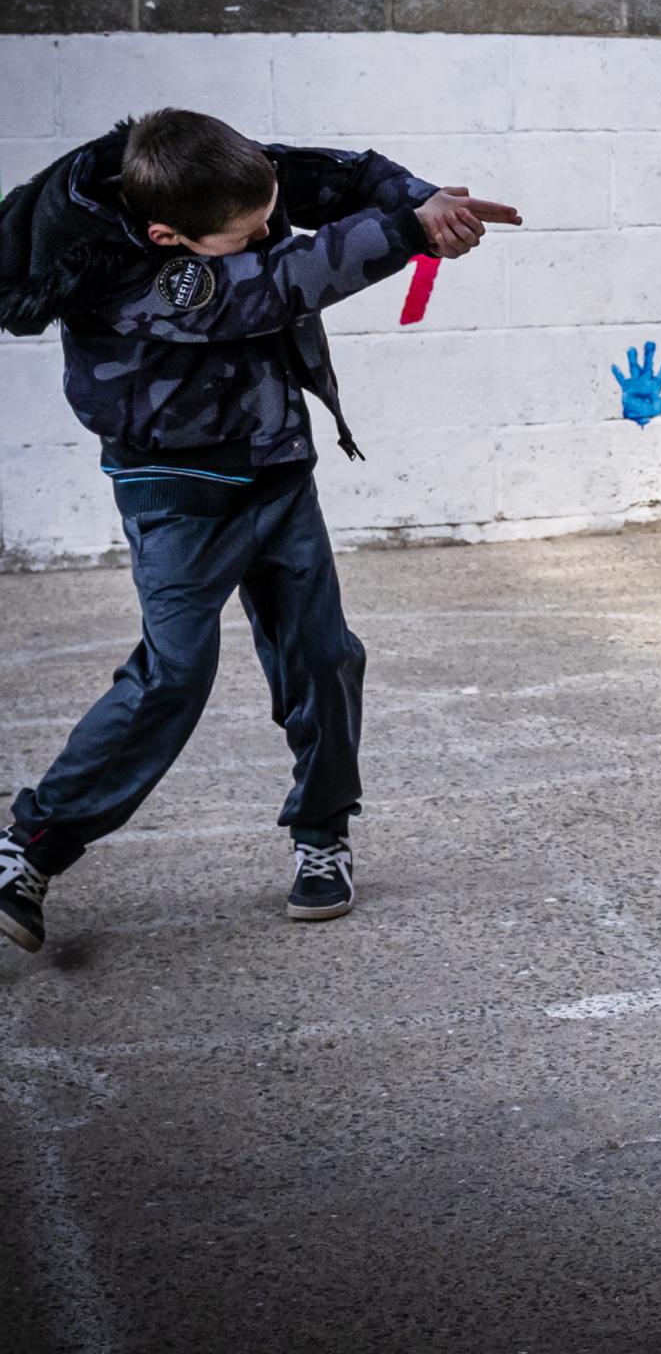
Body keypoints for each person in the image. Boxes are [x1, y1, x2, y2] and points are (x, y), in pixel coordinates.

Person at [0, 108, 517, 949]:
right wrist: (404, 234)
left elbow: (342, 177)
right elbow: (276, 284)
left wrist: (427, 204)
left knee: (321, 655)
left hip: (276, 469)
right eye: (251, 230)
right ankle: (31, 845)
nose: (272, 229)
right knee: (173, 676)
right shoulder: (128, 274)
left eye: (270, 210)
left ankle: (323, 837)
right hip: (179, 492)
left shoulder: (209, 176)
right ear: (169, 235)